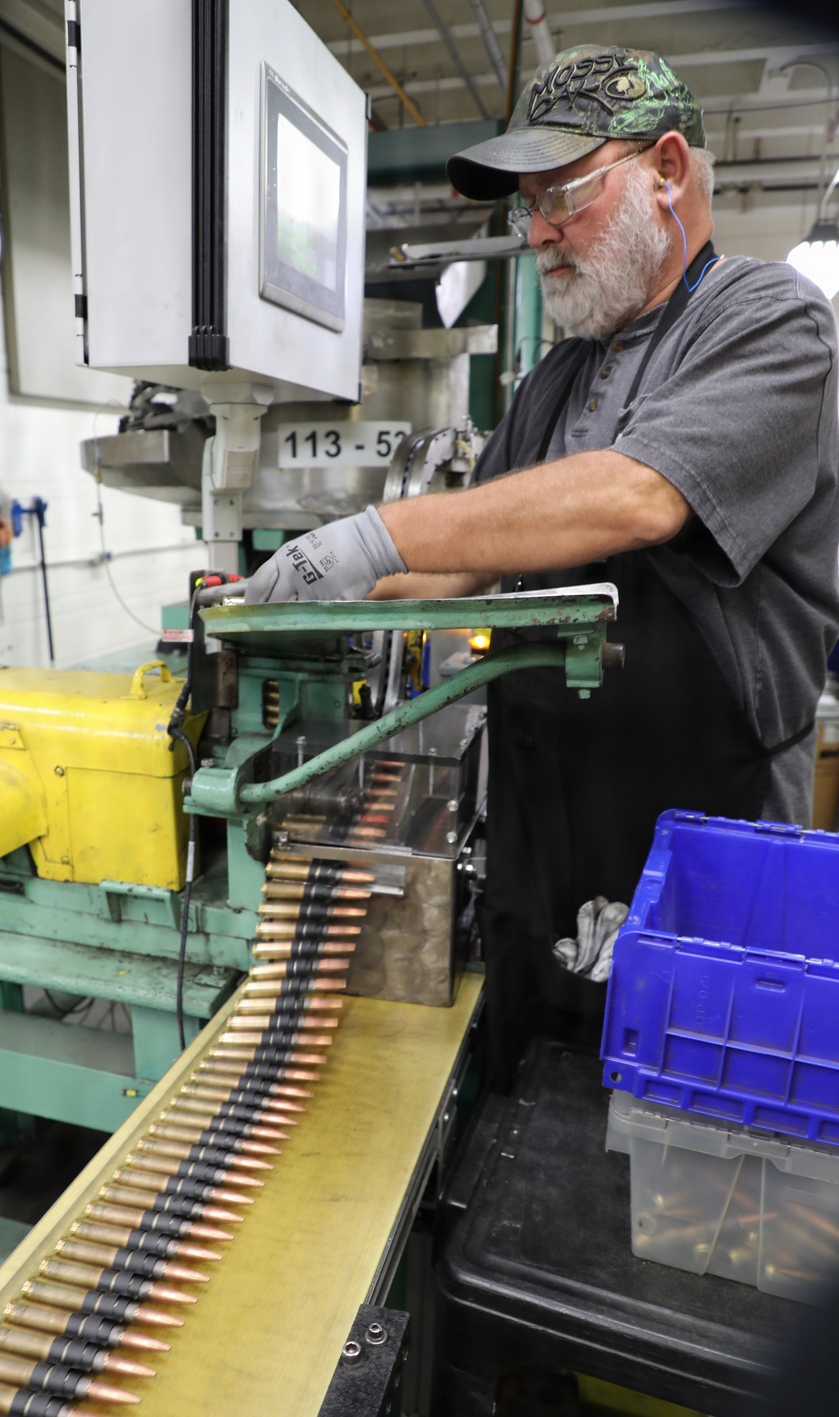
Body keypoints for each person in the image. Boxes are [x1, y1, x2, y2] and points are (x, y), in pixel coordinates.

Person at [246, 45, 839, 1085]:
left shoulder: (769, 323)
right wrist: (299, 597)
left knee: (684, 1125)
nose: (539, 234)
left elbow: (640, 495)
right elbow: (463, 566)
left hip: (697, 836)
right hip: (540, 820)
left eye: (563, 193)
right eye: (528, 207)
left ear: (664, 169)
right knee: (523, 1116)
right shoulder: (555, 378)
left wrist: (375, 533)